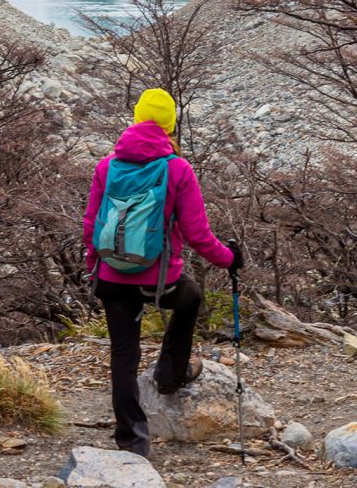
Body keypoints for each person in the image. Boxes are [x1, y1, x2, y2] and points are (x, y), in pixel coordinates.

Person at [82, 88, 243, 458]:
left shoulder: (107, 166)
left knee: (123, 354)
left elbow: (91, 225)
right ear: (170, 125)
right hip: (160, 283)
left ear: (137, 119)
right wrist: (229, 260)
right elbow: (198, 235)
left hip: (111, 278)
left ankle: (132, 441)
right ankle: (170, 376)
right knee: (191, 299)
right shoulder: (176, 169)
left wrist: (95, 267)